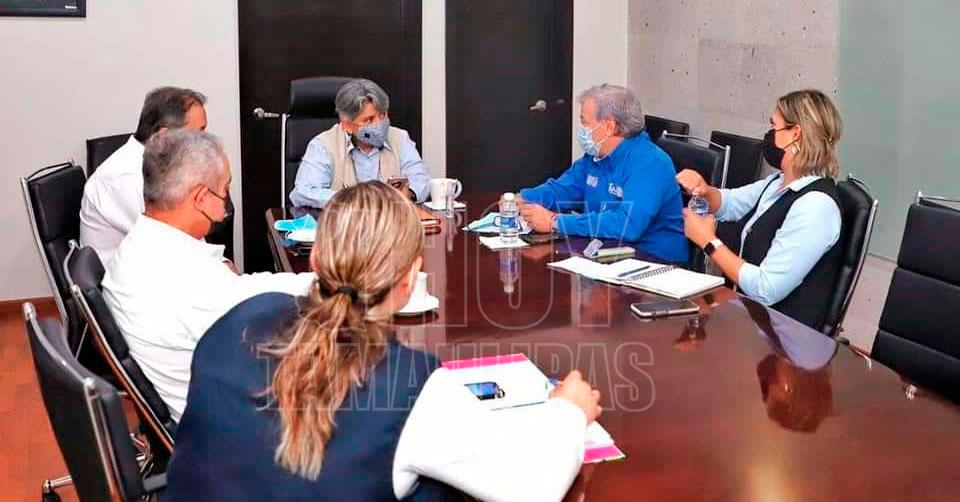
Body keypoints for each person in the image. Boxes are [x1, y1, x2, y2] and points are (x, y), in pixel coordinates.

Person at [166, 181, 602, 501]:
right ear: (411, 277)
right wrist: (569, 410)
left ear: (314, 257)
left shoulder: (238, 319)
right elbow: (532, 488)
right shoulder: (412, 386)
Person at [102, 130, 314, 421]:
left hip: (210, 399)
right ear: (201, 198)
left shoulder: (140, 247)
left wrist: (315, 282)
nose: (225, 205)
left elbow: (242, 291)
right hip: (235, 426)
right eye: (224, 190)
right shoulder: (188, 282)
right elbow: (259, 309)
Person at [677, 89, 844, 330]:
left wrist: (708, 241)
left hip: (782, 340)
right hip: (748, 320)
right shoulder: (778, 182)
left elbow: (766, 289)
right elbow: (731, 203)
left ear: (795, 134)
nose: (769, 136)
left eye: (774, 127)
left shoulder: (816, 206)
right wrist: (704, 190)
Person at [514, 84, 687, 262]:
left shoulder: (650, 162)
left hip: (653, 262)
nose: (581, 130)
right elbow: (563, 189)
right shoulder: (596, 156)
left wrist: (555, 222)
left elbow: (628, 225)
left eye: (585, 122)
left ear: (609, 126)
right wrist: (523, 199)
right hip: (605, 252)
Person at [80, 86, 208, 264]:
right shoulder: (125, 177)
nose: (205, 142)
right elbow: (175, 239)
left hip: (157, 266)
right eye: (199, 133)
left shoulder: (160, 165)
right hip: (134, 276)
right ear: (164, 136)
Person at [289, 78, 430, 208]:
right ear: (347, 125)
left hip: (391, 223)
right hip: (344, 223)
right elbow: (304, 192)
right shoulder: (323, 145)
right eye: (369, 120)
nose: (379, 124)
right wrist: (358, 200)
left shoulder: (400, 138)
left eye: (383, 115)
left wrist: (409, 193)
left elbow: (421, 178)